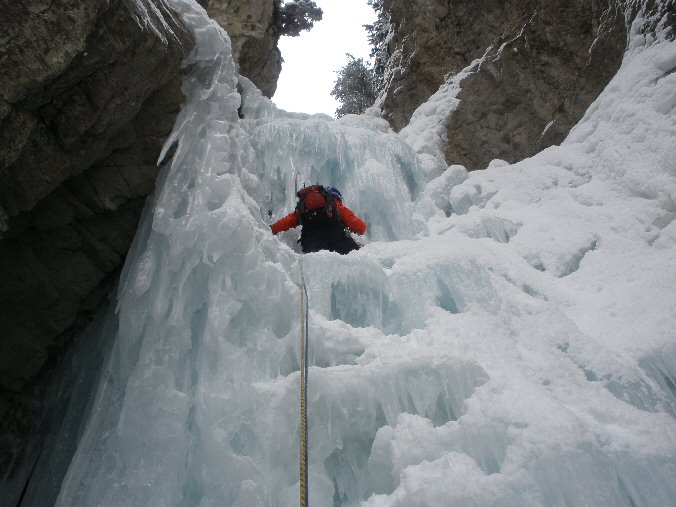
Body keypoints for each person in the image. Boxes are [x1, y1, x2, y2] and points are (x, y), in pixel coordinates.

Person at [271, 185, 366, 254]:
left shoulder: (304, 208)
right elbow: (360, 227)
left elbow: (287, 221)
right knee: (357, 255)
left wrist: (272, 229)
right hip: (336, 240)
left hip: (311, 243)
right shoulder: (336, 205)